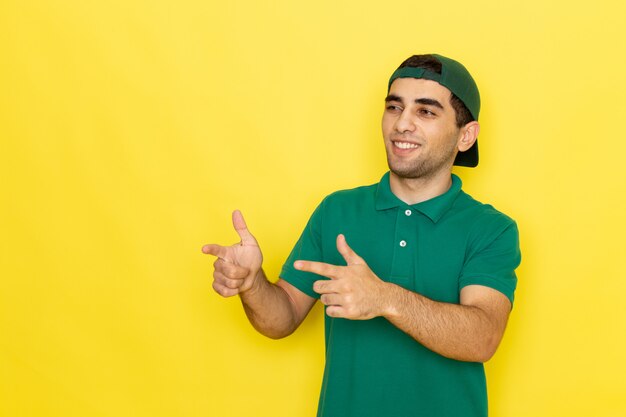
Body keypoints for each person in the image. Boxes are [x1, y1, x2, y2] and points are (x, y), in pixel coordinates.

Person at [202, 54, 521, 417]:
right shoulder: (337, 210)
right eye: (394, 107)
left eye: (426, 112)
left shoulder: (491, 228)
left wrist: (384, 298)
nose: (402, 124)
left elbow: (483, 337)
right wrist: (252, 284)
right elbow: (283, 318)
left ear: (466, 135)